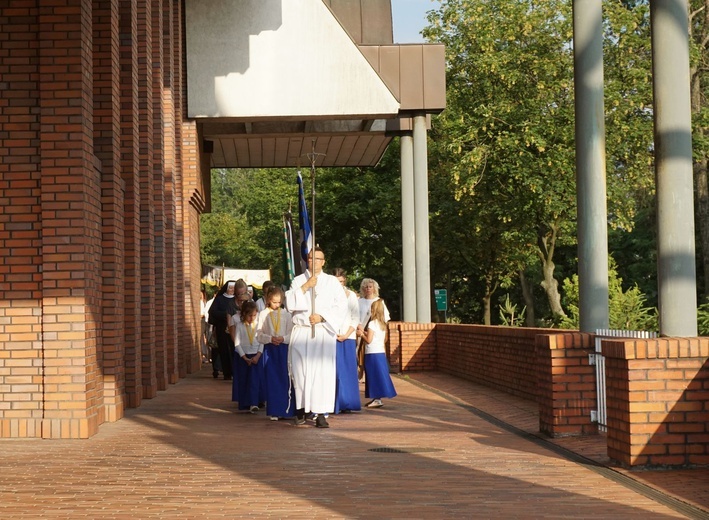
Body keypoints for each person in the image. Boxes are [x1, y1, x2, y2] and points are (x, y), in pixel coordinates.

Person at [285, 247, 347, 428]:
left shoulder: (332, 282)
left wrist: (322, 317)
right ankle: (302, 408)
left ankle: (320, 412)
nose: (314, 262)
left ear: (324, 261)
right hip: (302, 331)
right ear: (307, 259)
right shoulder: (298, 281)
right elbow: (289, 303)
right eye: (311, 258)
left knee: (321, 372)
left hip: (321, 331)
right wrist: (305, 287)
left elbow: (341, 307)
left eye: (318, 259)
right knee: (301, 371)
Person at [257, 285, 294, 420]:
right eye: (274, 302)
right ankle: (274, 410)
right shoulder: (262, 314)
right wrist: (270, 339)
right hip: (270, 350)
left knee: (285, 378)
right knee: (272, 379)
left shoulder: (287, 315)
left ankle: (286, 409)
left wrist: (283, 339)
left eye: (279, 302)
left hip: (284, 349)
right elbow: (258, 334)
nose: (277, 305)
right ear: (268, 300)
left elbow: (292, 333)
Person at [357, 298, 397, 408]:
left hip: (371, 353)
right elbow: (378, 338)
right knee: (380, 374)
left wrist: (361, 334)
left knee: (373, 375)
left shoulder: (372, 323)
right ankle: (377, 398)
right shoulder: (382, 324)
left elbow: (368, 340)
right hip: (380, 352)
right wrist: (364, 332)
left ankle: (377, 398)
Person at [332, 268, 361, 414]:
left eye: (342, 282)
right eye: (336, 282)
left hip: (348, 337)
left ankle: (348, 402)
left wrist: (346, 334)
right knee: (334, 371)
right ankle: (333, 403)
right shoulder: (328, 295)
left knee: (348, 371)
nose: (340, 284)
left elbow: (356, 318)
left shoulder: (352, 297)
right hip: (332, 337)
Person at [230, 301, 264, 413]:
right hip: (244, 356)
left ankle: (254, 402)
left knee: (255, 380)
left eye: (254, 315)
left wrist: (258, 355)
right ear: (243, 314)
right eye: (250, 315)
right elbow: (237, 342)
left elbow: (262, 341)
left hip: (256, 355)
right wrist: (243, 356)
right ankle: (245, 403)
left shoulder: (259, 325)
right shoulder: (239, 325)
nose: (252, 318)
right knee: (244, 380)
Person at [208, 280, 240, 380]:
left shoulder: (237, 299)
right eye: (230, 288)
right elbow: (213, 311)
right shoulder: (220, 299)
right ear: (226, 288)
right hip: (222, 328)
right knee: (224, 350)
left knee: (234, 349)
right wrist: (226, 316)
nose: (232, 290)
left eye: (233, 288)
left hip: (235, 328)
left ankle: (235, 371)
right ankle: (226, 372)